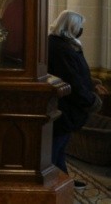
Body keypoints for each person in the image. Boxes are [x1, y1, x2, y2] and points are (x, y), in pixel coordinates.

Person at [48, 10, 105, 190]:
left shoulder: (63, 44)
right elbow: (71, 80)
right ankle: (54, 185)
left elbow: (77, 74)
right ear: (71, 26)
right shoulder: (60, 48)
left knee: (59, 149)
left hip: (67, 107)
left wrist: (92, 83)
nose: (81, 30)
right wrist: (91, 100)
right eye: (79, 26)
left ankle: (63, 180)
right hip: (65, 107)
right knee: (54, 149)